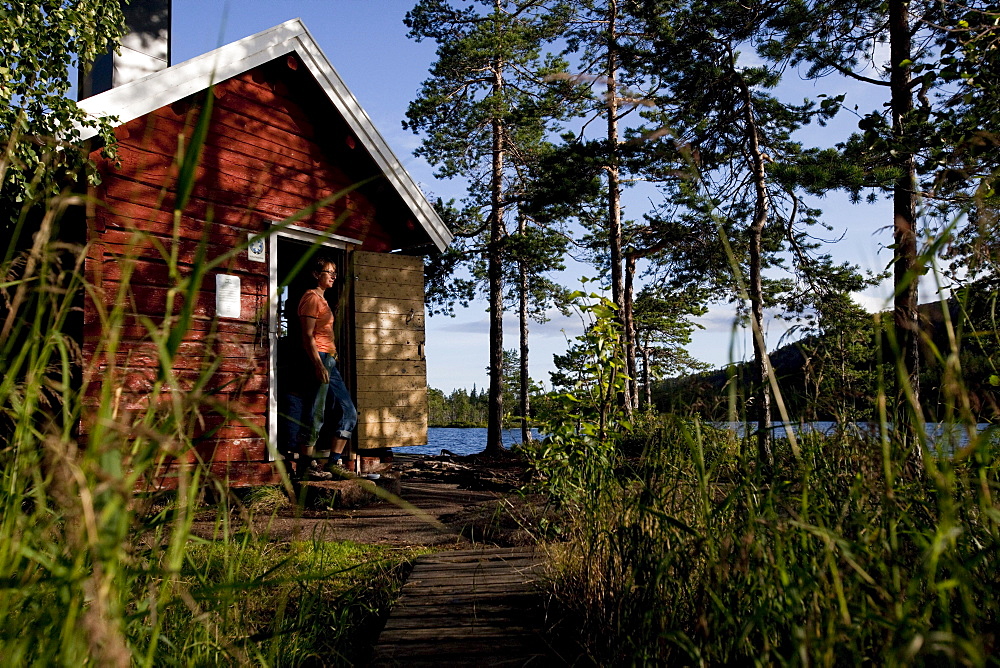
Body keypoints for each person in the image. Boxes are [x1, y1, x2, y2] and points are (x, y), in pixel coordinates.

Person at [282, 255, 358, 481]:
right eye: (329, 272)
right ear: (317, 275)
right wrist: (318, 364)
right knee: (317, 412)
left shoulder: (323, 300)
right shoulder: (311, 297)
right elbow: (307, 336)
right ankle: (306, 465)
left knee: (349, 412)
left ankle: (334, 462)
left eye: (335, 272)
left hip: (329, 359)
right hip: (320, 358)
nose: (333, 276)